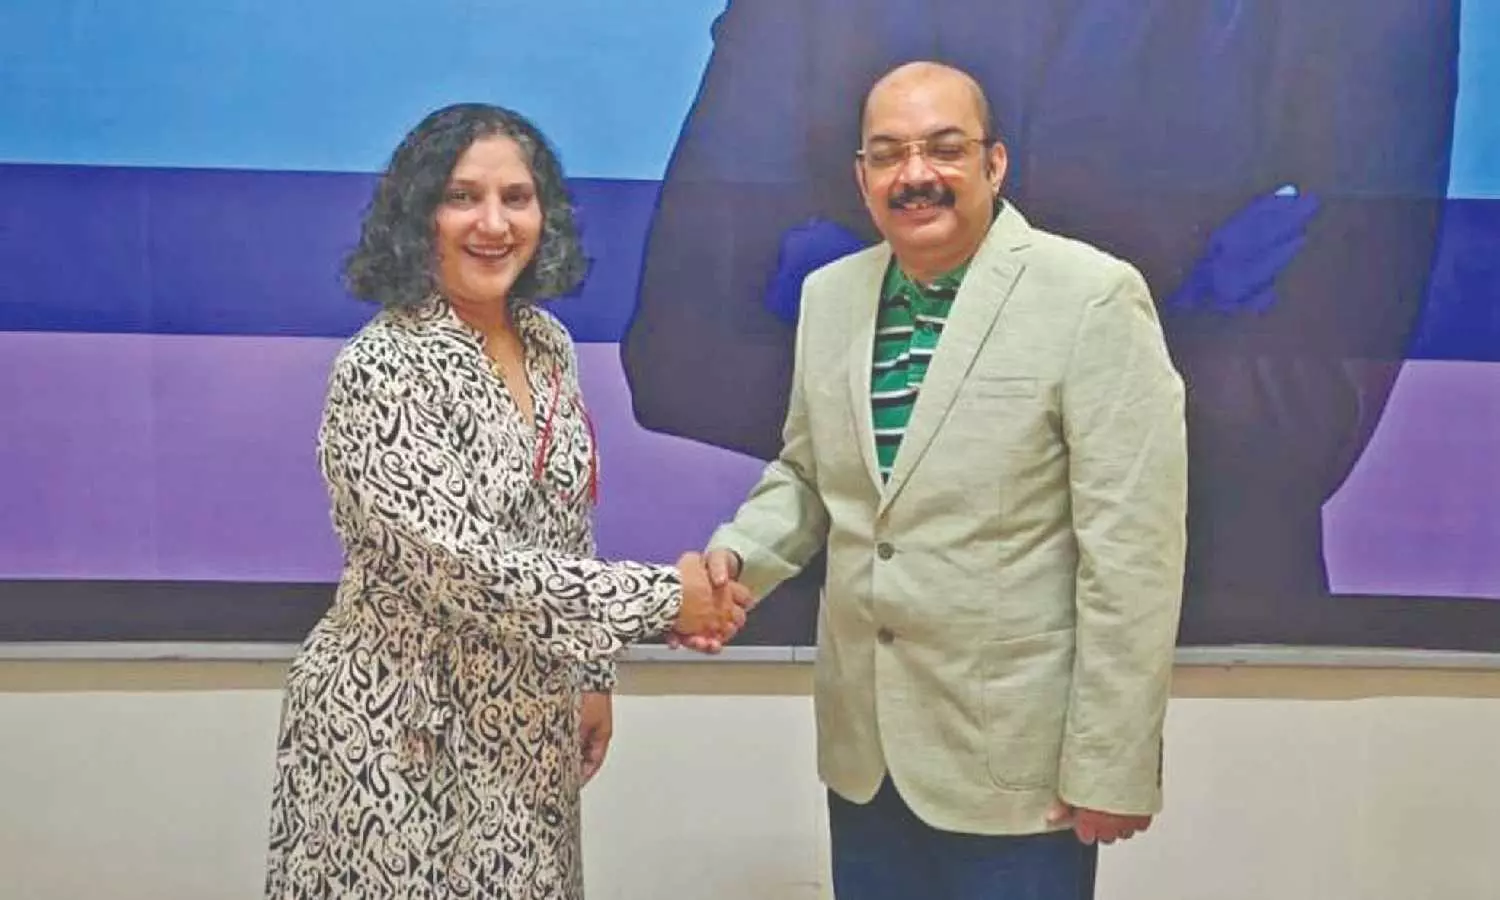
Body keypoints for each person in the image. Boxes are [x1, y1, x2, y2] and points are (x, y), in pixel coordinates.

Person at [624, 0, 1459, 645]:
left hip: (1198, 647)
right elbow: (681, 354)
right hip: (880, 644)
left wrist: (903, 315)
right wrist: (1181, 303)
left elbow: (1297, 417)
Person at [689, 62, 1188, 899]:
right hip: (866, 759)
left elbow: (1134, 553)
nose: (914, 174)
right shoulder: (830, 298)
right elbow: (808, 475)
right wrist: (737, 560)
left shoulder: (1092, 297)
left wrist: (1113, 763)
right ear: (862, 177)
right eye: (888, 154)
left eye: (944, 149)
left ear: (995, 163)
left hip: (1018, 773)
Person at [263, 103, 750, 900]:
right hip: (395, 732)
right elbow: (466, 568)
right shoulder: (382, 366)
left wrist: (592, 674)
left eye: (516, 198)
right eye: (462, 197)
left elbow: (566, 523)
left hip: (527, 724)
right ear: (419, 213)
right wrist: (668, 599)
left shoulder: (548, 343)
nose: (493, 224)